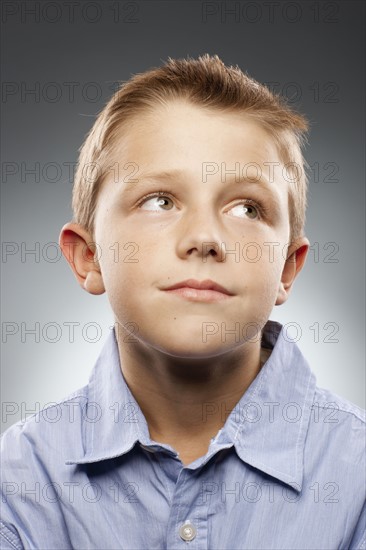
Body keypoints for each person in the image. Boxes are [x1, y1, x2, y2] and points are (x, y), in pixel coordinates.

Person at [1, 54, 365, 550]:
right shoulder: (17, 481)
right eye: (160, 201)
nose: (204, 237)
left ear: (286, 269)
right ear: (89, 258)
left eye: (247, 207)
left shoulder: (357, 477)